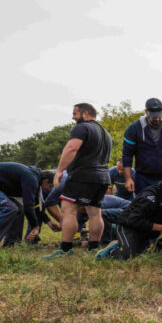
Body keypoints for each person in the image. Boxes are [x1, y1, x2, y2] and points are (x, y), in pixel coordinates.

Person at [43, 103, 113, 258]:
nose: (73, 117)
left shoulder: (82, 127)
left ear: (85, 113)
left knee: (68, 209)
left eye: (75, 113)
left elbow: (71, 148)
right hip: (103, 177)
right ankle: (94, 247)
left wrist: (59, 171)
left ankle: (65, 249)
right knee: (95, 212)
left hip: (83, 175)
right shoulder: (106, 133)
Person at [97, 167, 162, 260]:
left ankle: (160, 247)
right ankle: (111, 250)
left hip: (146, 227)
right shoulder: (151, 196)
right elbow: (133, 220)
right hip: (129, 226)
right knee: (129, 257)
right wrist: (161, 228)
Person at [0, 162, 55, 246]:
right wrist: (35, 227)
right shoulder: (31, 179)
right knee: (10, 208)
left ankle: (12, 244)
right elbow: (28, 206)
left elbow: (36, 206)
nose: (48, 189)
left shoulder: (35, 179)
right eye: (50, 186)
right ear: (45, 180)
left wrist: (48, 221)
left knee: (18, 209)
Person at [121, 97, 162, 195]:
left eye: (159, 116)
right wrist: (128, 178)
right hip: (143, 177)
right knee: (143, 207)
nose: (158, 119)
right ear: (146, 112)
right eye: (154, 117)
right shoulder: (134, 129)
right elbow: (127, 155)